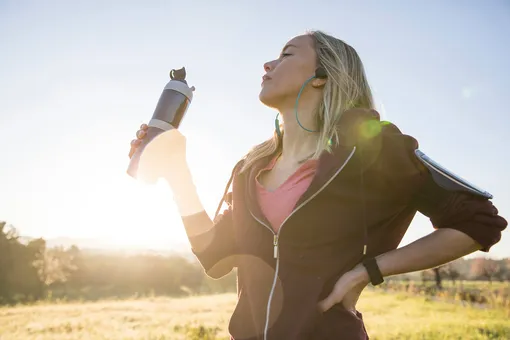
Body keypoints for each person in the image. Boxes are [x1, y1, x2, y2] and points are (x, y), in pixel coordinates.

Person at [128, 30, 507, 340]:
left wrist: (368, 270)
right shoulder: (250, 166)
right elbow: (214, 256)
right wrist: (178, 173)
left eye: (287, 54)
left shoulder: (371, 145)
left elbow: (478, 222)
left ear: (323, 75)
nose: (268, 63)